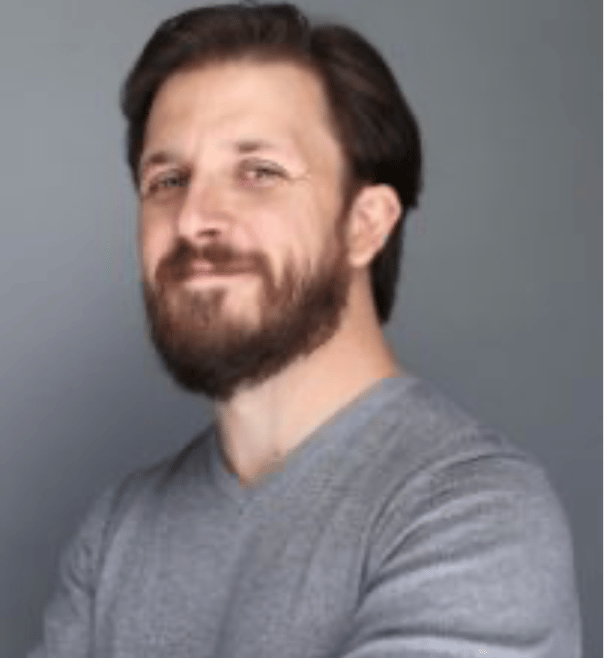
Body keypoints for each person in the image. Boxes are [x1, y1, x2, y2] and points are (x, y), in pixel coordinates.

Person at [29, 3, 581, 657]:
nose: (193, 218)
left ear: (365, 225)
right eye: (168, 180)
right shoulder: (117, 534)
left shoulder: (475, 511)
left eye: (259, 172)